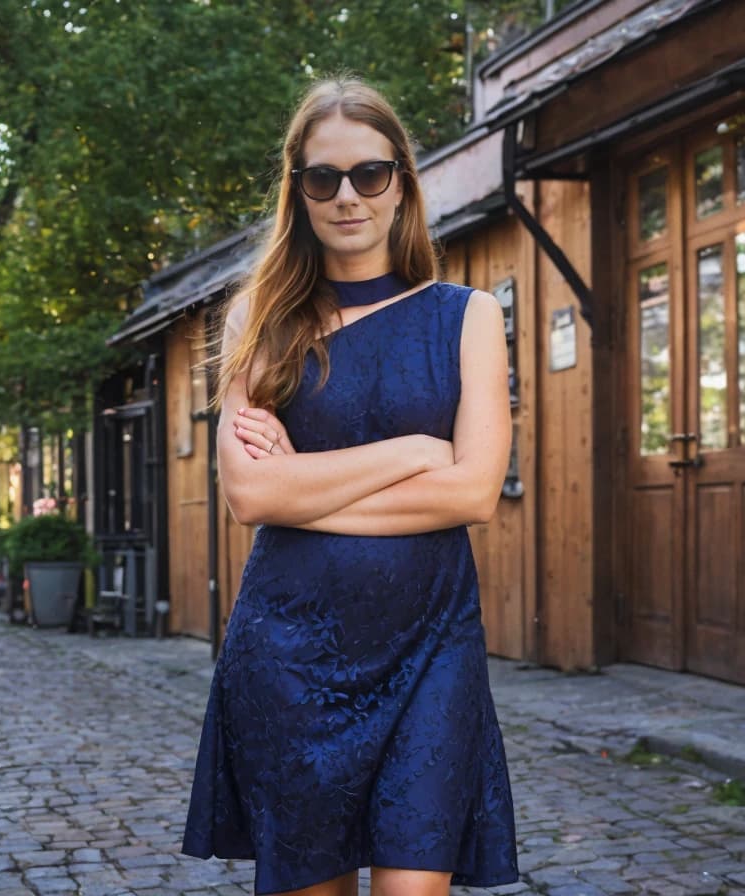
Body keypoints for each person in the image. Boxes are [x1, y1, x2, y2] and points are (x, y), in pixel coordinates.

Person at [181, 78, 519, 896]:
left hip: (432, 645)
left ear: (401, 180)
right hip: (292, 655)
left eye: (369, 174)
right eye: (322, 177)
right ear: (296, 190)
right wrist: (415, 447)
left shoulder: (467, 315)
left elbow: (473, 494)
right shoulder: (257, 321)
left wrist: (308, 484)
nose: (347, 196)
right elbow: (252, 499)